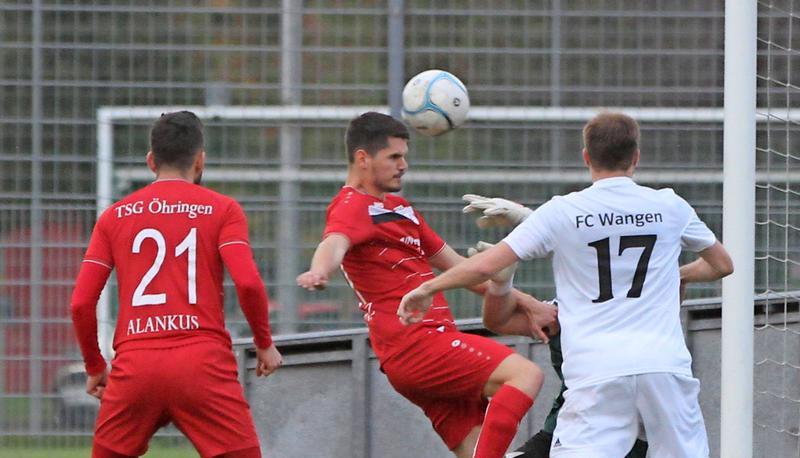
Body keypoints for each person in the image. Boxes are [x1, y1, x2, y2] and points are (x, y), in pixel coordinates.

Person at [399, 112, 734, 457]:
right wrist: (673, 275)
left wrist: (427, 288)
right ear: (636, 157)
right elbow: (722, 264)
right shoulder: (670, 205)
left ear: (586, 157)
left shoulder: (563, 211)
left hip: (597, 374)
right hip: (664, 369)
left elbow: (484, 265)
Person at [296, 112, 557, 458]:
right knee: (525, 375)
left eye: (405, 156)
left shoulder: (402, 210)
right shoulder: (350, 206)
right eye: (393, 157)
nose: (403, 165)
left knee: (480, 448)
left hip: (421, 350)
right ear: (363, 158)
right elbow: (334, 243)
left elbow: (465, 270)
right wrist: (320, 271)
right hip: (416, 343)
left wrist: (529, 304)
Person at [70, 111, 282, 458]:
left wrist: (95, 366)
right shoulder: (223, 209)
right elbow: (248, 284)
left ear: (151, 161)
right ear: (200, 161)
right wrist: (264, 343)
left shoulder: (114, 216)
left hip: (136, 365)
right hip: (203, 363)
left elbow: (80, 302)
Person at [462, 197, 649, 458]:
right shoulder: (564, 310)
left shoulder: (646, 309)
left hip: (621, 436)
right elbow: (498, 321)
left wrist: (532, 221)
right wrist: (501, 284)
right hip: (565, 429)